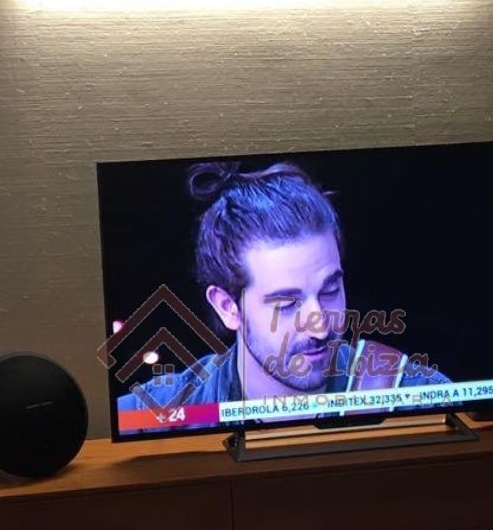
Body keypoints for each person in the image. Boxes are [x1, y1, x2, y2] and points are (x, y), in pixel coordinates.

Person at [118, 160, 449, 414]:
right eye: (286, 304)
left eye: (330, 291)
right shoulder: (149, 415)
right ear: (227, 307)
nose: (320, 326)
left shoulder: (417, 396)